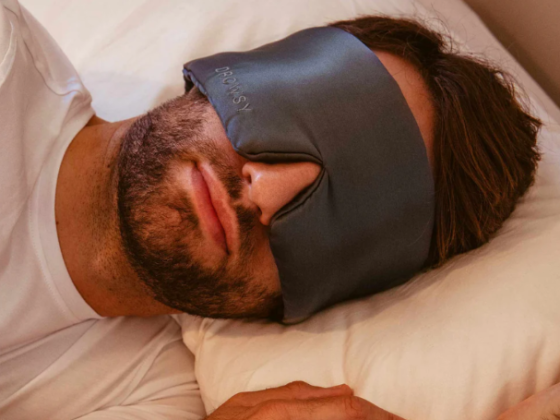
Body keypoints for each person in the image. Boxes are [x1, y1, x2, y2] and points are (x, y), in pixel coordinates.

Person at [0, 0, 554, 419]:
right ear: (231, 72)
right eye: (307, 118)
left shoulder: (145, 396)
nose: (265, 192)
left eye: (340, 218)